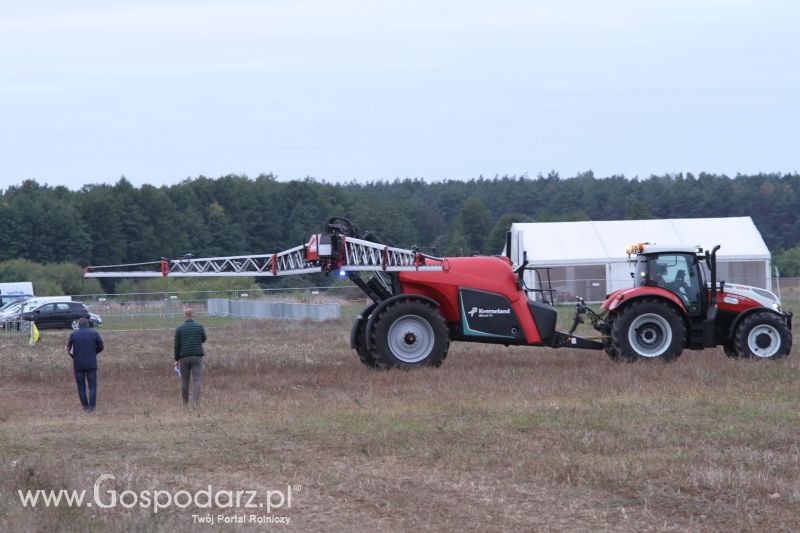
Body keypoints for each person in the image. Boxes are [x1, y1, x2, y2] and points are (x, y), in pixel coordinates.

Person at [67, 317, 104, 412]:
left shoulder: (74, 334)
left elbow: (70, 350)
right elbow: (101, 346)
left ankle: (85, 406)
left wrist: (75, 357)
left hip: (78, 364)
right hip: (91, 363)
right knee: (92, 386)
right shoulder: (94, 333)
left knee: (81, 386)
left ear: (78, 325)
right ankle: (92, 407)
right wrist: (94, 353)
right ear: (88, 324)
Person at [174, 308, 207, 405]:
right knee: (197, 379)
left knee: (185, 380)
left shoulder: (179, 329)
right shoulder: (199, 327)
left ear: (184, 316)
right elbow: (204, 339)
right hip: (197, 357)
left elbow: (176, 345)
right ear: (193, 315)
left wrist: (176, 359)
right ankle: (196, 402)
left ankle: (185, 403)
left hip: (184, 357)